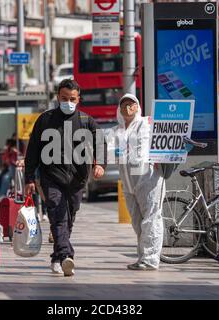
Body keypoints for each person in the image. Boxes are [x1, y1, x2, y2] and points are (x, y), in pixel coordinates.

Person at [24, 79, 107, 276]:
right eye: (64, 98)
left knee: (69, 217)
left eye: (72, 99)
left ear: (78, 99)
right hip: (51, 177)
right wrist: (29, 178)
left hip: (77, 179)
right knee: (58, 214)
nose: (68, 102)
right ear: (57, 97)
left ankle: (57, 258)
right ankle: (66, 255)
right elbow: (33, 150)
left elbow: (101, 143)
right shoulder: (45, 120)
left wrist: (100, 165)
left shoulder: (87, 121)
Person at [115, 93, 165, 271]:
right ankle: (143, 257)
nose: (128, 108)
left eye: (132, 104)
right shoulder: (117, 131)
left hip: (149, 179)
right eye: (124, 105)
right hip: (129, 184)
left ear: (137, 107)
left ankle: (151, 260)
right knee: (137, 222)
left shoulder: (147, 123)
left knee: (151, 219)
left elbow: (163, 138)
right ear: (119, 109)